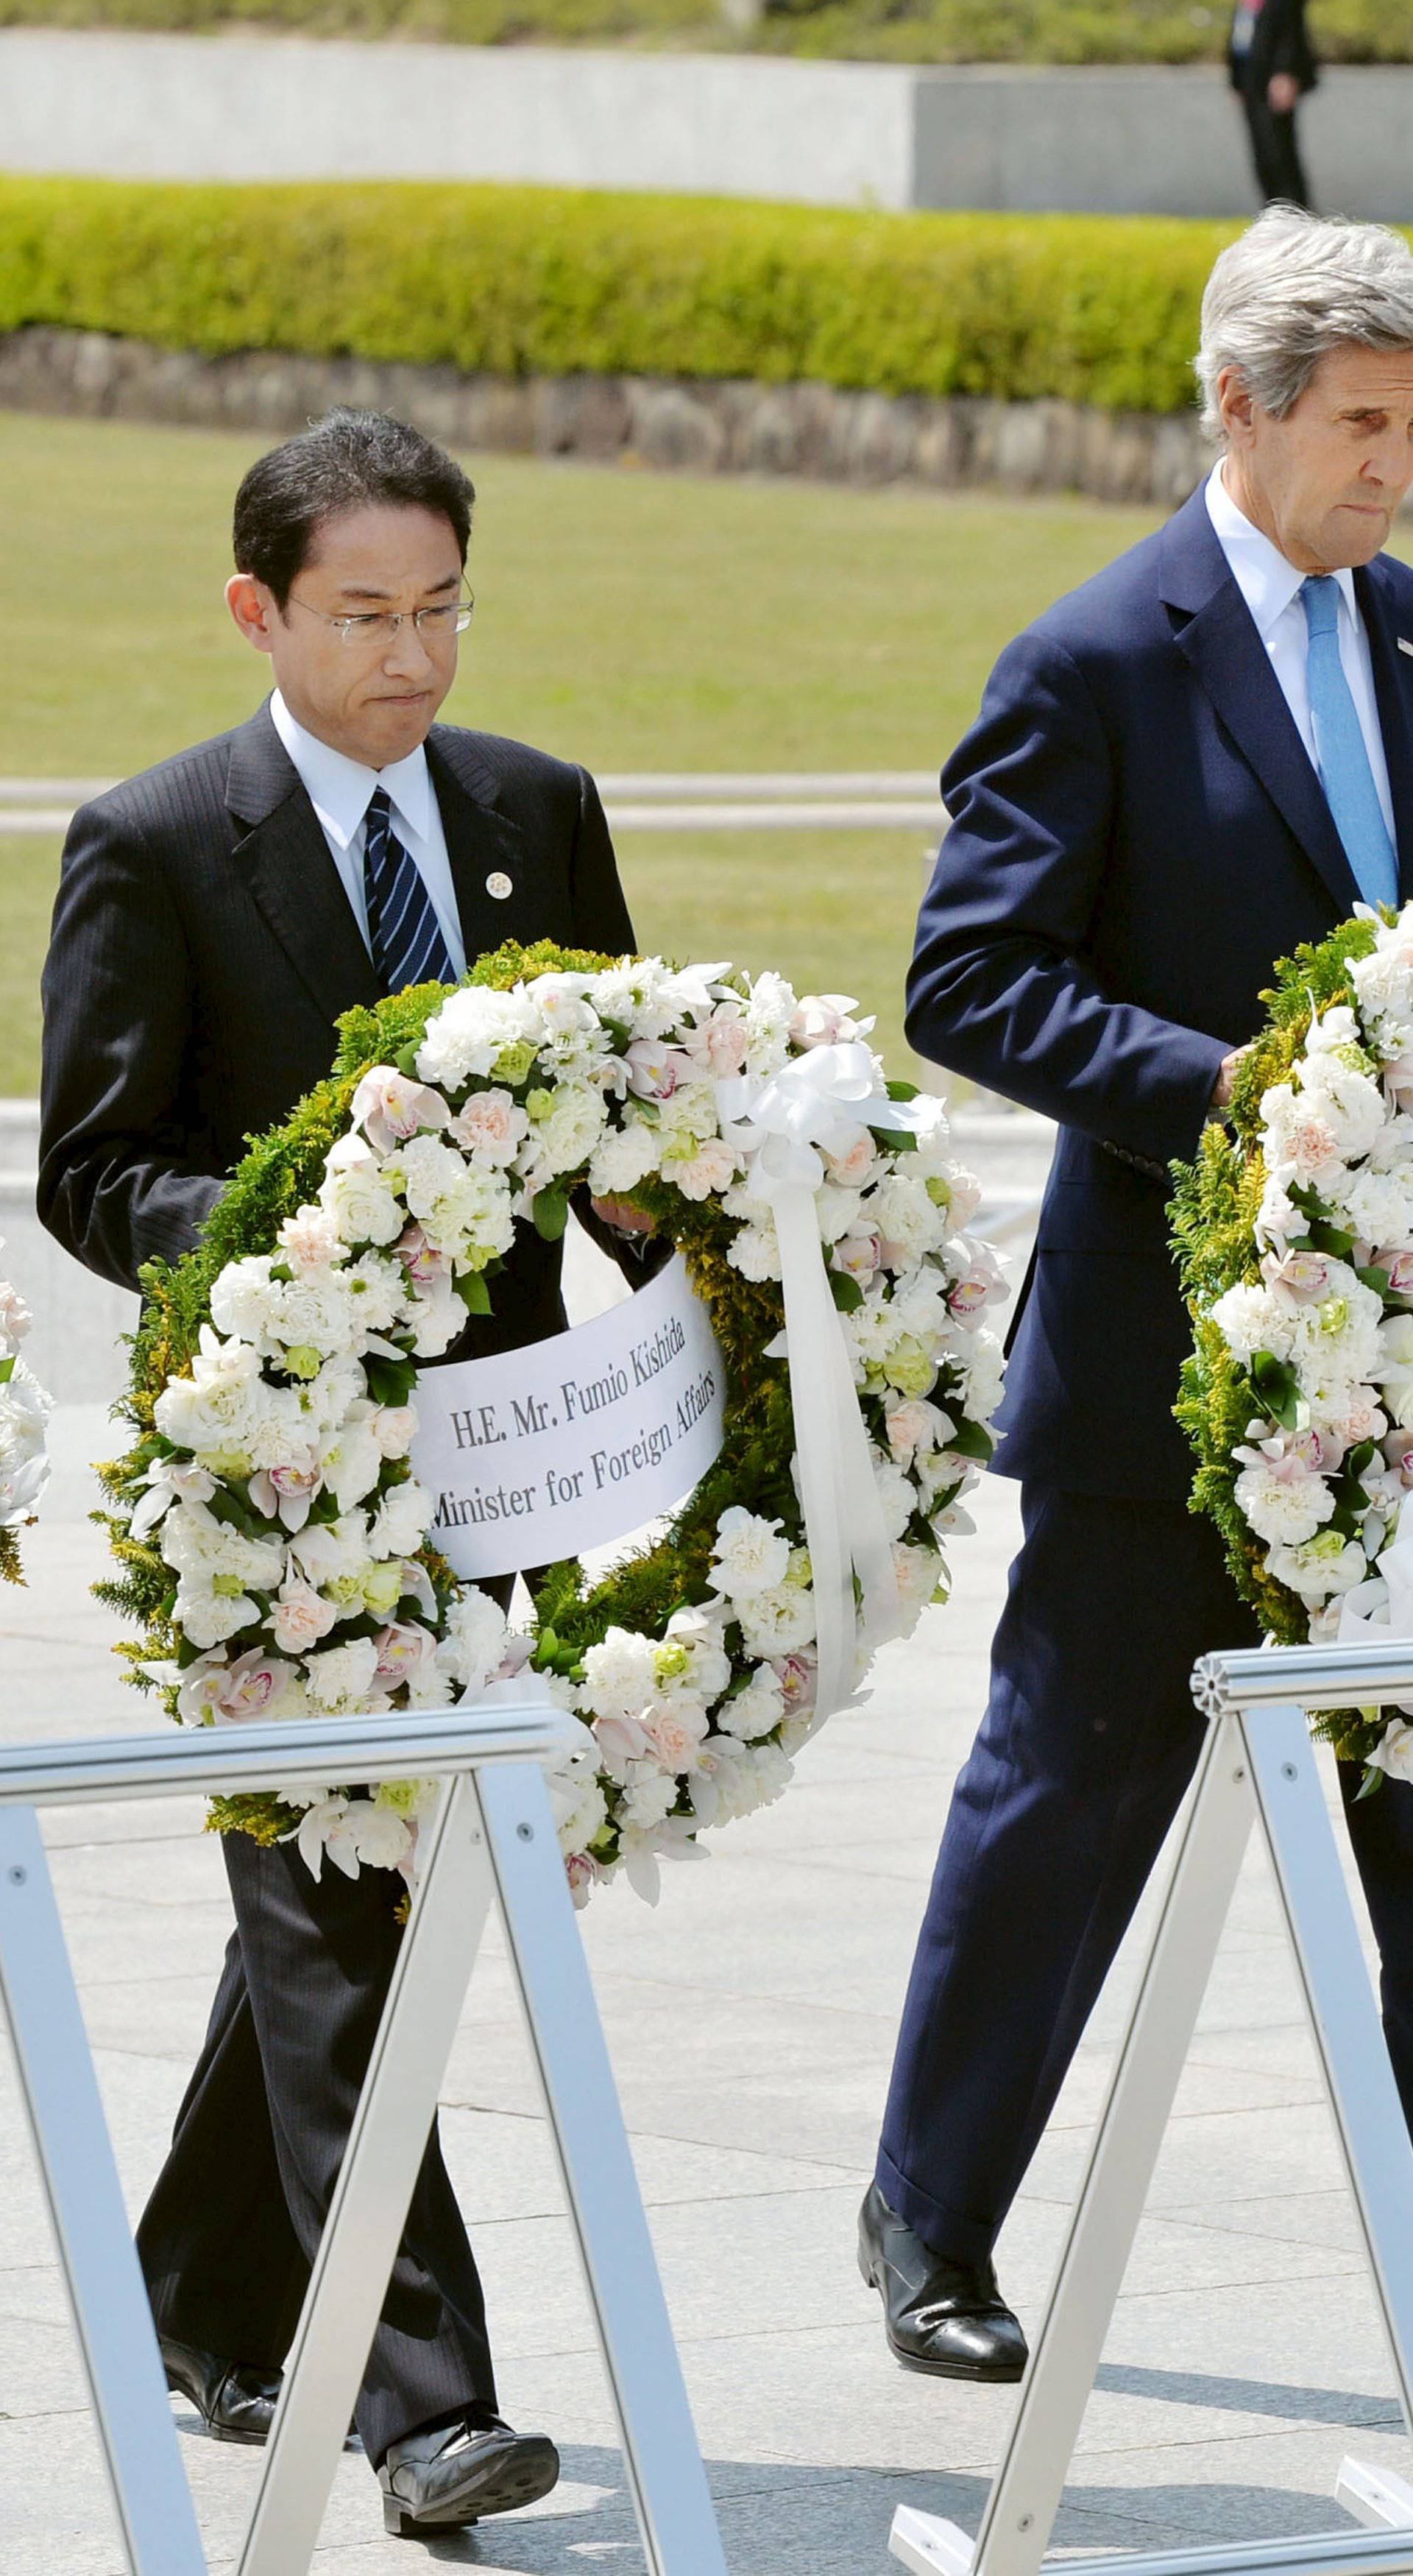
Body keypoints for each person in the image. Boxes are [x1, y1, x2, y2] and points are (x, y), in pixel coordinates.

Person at [39, 408, 648, 2538]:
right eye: (365, 614)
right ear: (260, 611)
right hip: (274, 1475)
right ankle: (417, 2403)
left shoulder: (534, 813)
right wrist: (317, 1247)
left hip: (508, 1461)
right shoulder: (153, 839)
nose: (412, 655)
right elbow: (92, 1170)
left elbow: (613, 1111)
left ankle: (199, 2283)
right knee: (335, 1910)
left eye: (443, 606)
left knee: (346, 1886)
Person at [860, 207, 1413, 2382]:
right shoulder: (1092, 656)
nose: (1394, 466)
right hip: (1151, 1370)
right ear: (1238, 411)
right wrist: (1268, 1099)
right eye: (1362, 426)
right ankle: (931, 2215)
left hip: (1391, 1370)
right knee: (1066, 1789)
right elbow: (967, 980)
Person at [1230, 0, 1317, 210]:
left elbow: (1290, 36)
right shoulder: (1247, 5)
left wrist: (1285, 72)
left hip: (1274, 84)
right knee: (1263, 157)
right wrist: (1236, 81)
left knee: (1279, 154)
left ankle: (1295, 214)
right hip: (1252, 82)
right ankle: (1273, 213)